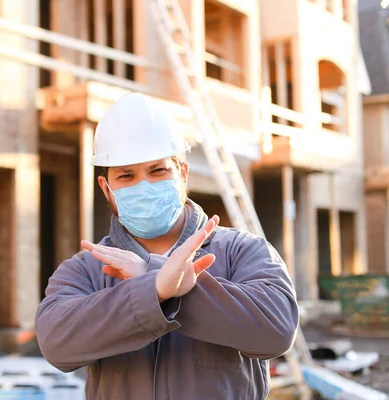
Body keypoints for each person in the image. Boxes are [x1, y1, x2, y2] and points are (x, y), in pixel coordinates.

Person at [35, 92, 299, 400]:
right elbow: (56, 343)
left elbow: (276, 330)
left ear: (182, 174)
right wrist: (156, 288)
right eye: (126, 175)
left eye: (158, 170)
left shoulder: (242, 251)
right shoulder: (87, 269)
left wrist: (156, 280)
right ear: (106, 188)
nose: (143, 185)